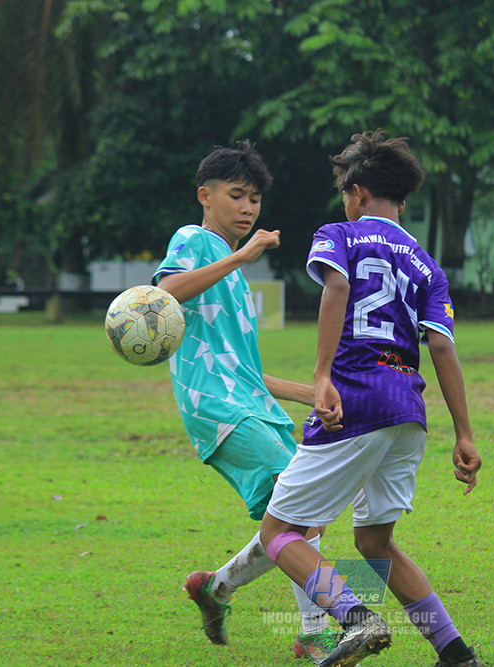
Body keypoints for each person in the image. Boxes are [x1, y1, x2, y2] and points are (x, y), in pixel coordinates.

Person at [259, 131, 484, 667]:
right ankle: (456, 654)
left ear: (357, 193)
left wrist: (320, 376)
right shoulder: (427, 265)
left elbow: (336, 289)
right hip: (408, 409)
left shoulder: (339, 233)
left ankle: (356, 619)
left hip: (354, 402)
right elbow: (442, 347)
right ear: (400, 201)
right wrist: (465, 433)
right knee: (375, 544)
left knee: (279, 533)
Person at [152, 141, 337, 659]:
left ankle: (217, 587)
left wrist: (311, 394)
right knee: (299, 507)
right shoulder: (193, 238)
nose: (248, 208)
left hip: (252, 404)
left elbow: (246, 371)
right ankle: (315, 634)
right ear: (204, 195)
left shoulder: (235, 275)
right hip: (216, 408)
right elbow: (166, 293)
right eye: (237, 195)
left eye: (254, 198)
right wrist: (240, 255)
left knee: (302, 516)